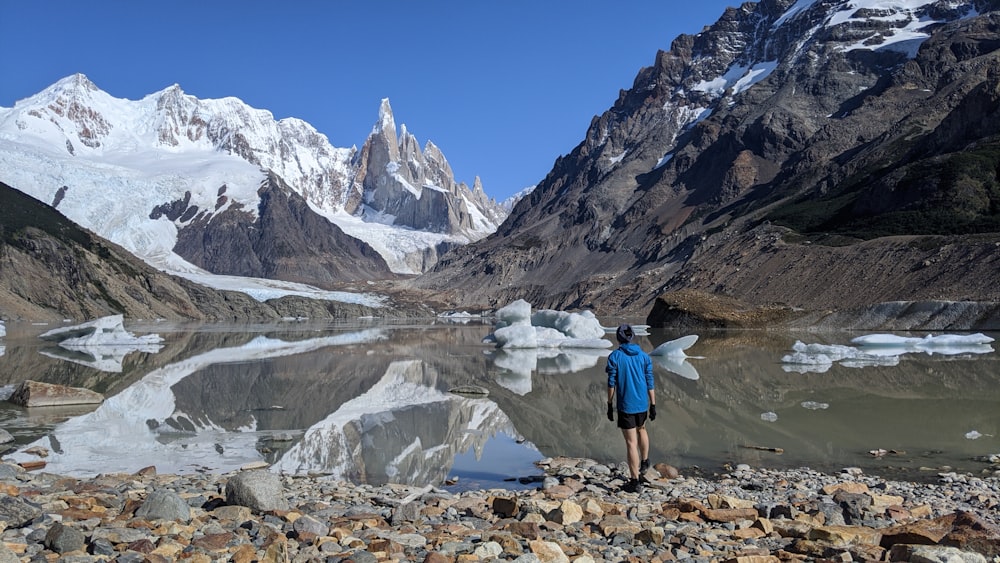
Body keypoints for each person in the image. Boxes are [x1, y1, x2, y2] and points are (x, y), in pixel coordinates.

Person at [605, 323, 655, 493]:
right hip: (642, 404)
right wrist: (653, 404)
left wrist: (609, 404)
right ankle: (645, 461)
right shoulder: (644, 356)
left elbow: (611, 383)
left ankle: (634, 482)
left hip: (626, 405)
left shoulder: (615, 357)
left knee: (630, 443)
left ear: (619, 338)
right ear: (632, 336)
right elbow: (650, 381)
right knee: (642, 429)